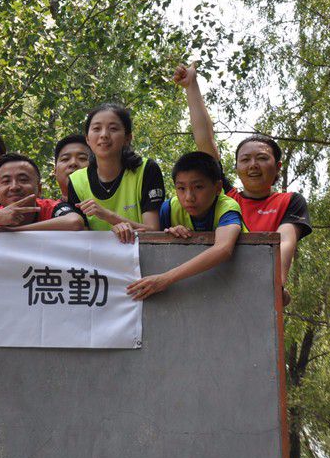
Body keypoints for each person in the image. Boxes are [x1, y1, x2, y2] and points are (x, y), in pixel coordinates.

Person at [175, 62, 311, 287]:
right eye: (245, 159)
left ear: (278, 167)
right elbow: (205, 141)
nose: (253, 165)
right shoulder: (225, 196)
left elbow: (285, 242)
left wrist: (276, 287)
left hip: (260, 287)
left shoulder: (290, 202)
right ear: (237, 167)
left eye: (262, 158)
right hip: (217, 285)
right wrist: (192, 86)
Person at [126, 151, 246, 300]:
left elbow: (223, 249)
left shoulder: (227, 207)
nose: (189, 197)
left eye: (198, 187)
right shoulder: (169, 208)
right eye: (181, 188)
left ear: (218, 187)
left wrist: (165, 279)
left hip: (234, 287)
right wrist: (169, 234)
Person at [67, 103, 165, 242]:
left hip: (141, 254)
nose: (104, 135)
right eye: (96, 128)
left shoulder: (146, 169)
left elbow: (154, 231)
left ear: (127, 138)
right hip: (95, 256)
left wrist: (109, 216)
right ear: (87, 138)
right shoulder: (76, 181)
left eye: (113, 129)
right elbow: (79, 238)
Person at [52, 134, 91, 201]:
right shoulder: (43, 207)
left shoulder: (108, 206)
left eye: (82, 158)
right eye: (65, 159)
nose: (73, 163)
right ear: (55, 171)